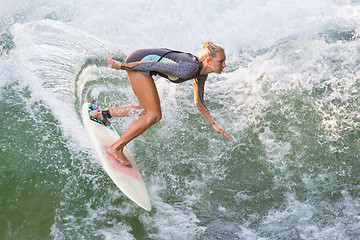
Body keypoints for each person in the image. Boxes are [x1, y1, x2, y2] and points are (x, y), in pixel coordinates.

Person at [91, 41, 232, 167]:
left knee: (144, 109)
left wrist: (213, 124)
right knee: (154, 115)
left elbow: (199, 101)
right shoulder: (190, 68)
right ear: (208, 60)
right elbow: (153, 64)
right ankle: (116, 148)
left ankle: (102, 114)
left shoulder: (200, 73)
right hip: (140, 61)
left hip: (143, 63)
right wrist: (122, 66)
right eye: (221, 61)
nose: (224, 65)